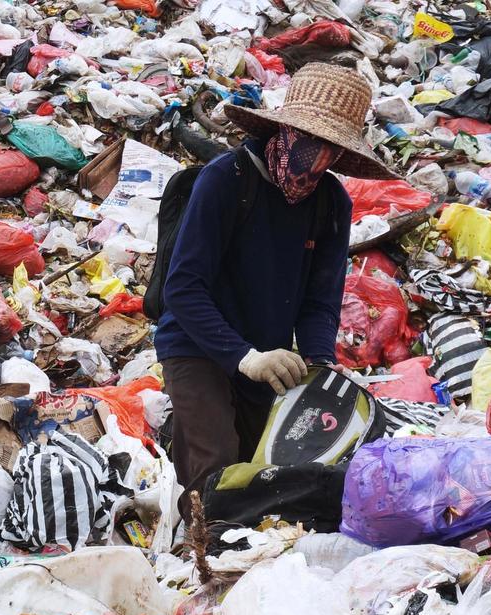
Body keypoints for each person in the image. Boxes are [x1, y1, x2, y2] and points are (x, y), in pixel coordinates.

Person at [156, 63, 392, 511]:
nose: (316, 158)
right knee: (219, 473)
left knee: (275, 470)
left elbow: (320, 300)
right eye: (309, 141)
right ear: (283, 130)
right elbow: (183, 288)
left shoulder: (331, 203)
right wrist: (244, 358)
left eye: (330, 149)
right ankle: (201, 552)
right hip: (197, 344)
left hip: (268, 356)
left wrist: (320, 361)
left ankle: (180, 444)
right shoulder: (226, 180)